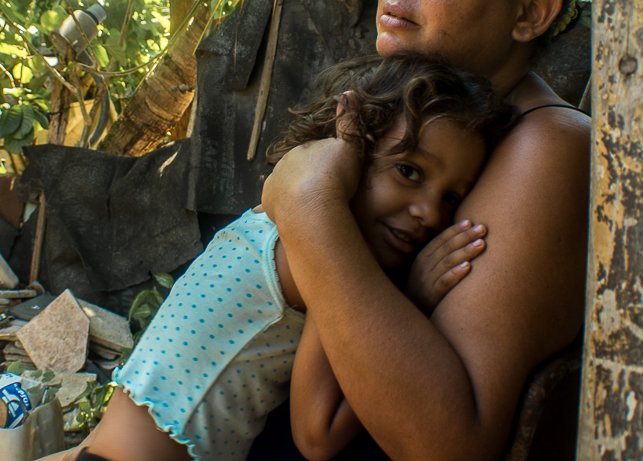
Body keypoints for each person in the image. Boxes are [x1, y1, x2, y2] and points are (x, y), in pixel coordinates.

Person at [248, 0, 591, 461]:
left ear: (531, 13)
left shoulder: (550, 144)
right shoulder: (432, 119)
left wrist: (308, 208)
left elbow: (445, 444)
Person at [55, 54, 519, 461]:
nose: (430, 213)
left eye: (454, 198)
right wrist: (412, 299)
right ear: (353, 141)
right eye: (408, 171)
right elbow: (317, 435)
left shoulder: (268, 220)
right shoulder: (319, 253)